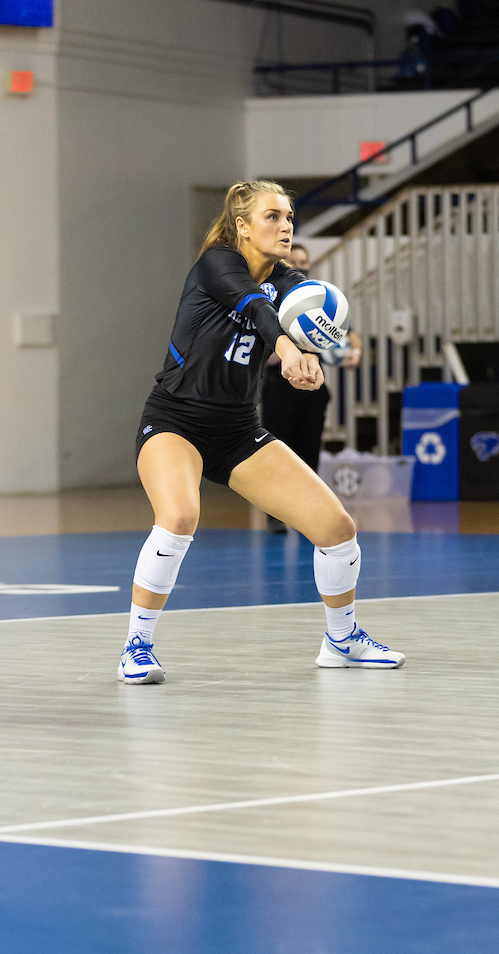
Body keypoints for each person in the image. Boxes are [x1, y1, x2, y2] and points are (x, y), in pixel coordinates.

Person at [118, 180, 404, 685]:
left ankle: (341, 639)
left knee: (337, 530)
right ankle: (136, 646)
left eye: (290, 216)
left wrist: (313, 355)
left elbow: (311, 315)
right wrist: (287, 348)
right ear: (243, 226)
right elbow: (255, 307)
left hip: (237, 429)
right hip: (174, 419)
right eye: (273, 216)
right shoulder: (215, 264)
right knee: (180, 516)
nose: (286, 224)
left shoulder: (290, 278)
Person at [260, 242, 361, 533]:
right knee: (277, 449)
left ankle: (307, 512)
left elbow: (350, 336)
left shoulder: (318, 303)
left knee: (309, 450)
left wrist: (353, 353)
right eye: (293, 261)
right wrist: (284, 353)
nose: (298, 266)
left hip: (312, 387)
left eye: (304, 262)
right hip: (279, 386)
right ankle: (276, 515)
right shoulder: (271, 301)